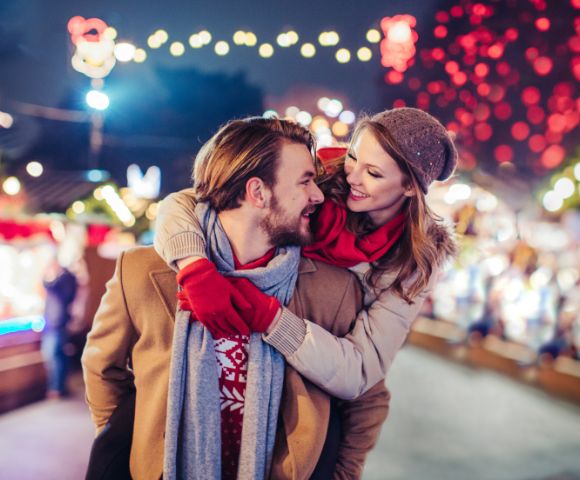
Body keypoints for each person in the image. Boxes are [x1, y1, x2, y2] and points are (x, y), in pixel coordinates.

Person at [82, 117, 389, 480]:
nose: (317, 195)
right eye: (306, 180)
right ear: (257, 192)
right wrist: (138, 446)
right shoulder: (141, 272)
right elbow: (102, 369)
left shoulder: (332, 290)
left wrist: (342, 474)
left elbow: (366, 397)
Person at [154, 107, 458, 401]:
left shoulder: (413, 262)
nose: (352, 177)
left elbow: (362, 371)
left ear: (408, 187)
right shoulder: (319, 180)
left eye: (374, 173)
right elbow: (190, 202)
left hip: (306, 381)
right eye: (353, 157)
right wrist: (194, 269)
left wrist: (270, 317)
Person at [42, 256, 78, 398]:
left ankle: (57, 388)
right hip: (56, 322)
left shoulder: (66, 278)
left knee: (54, 355)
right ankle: (58, 387)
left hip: (58, 322)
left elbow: (50, 287)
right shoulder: (67, 278)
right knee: (58, 355)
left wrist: (46, 276)